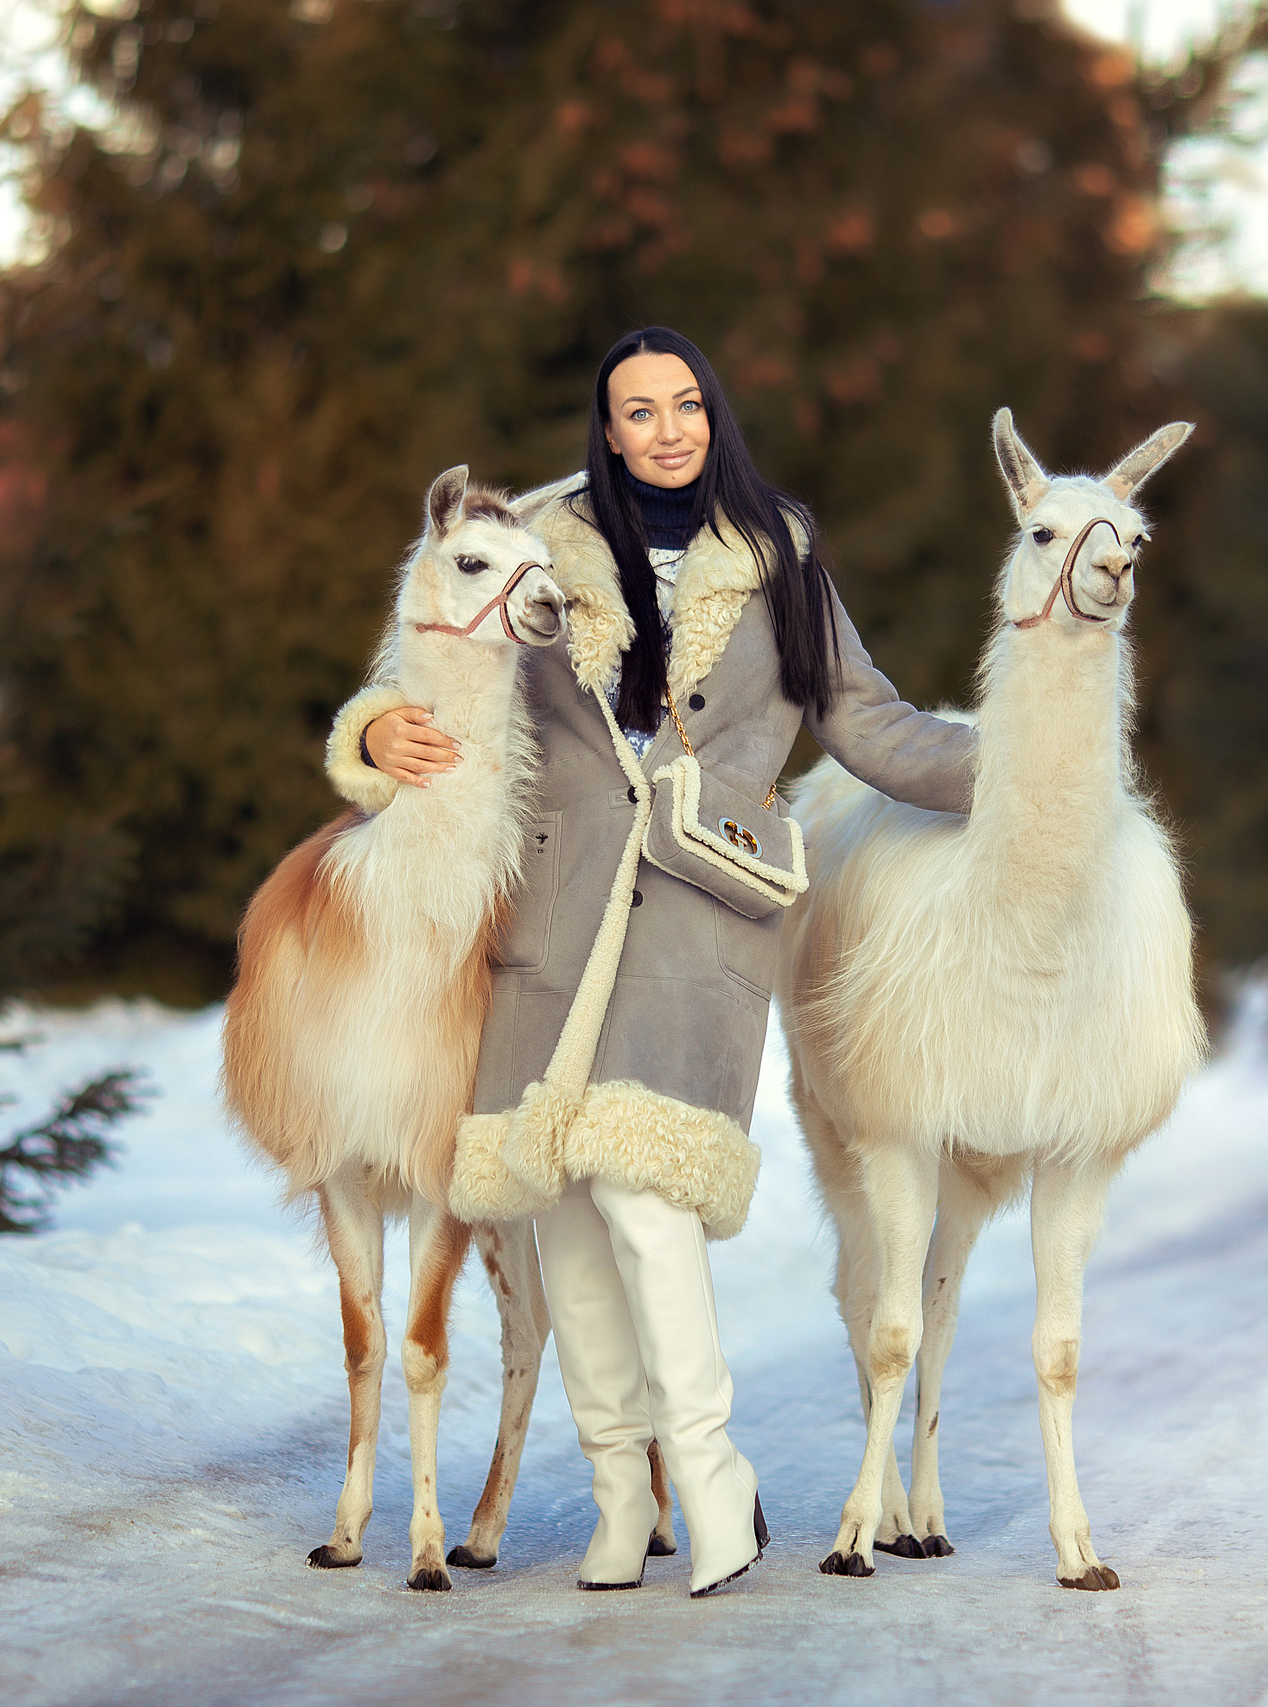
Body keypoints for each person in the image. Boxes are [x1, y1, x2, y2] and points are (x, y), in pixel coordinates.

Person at [331, 327, 975, 1596]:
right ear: (607, 427)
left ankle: (711, 1465)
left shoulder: (776, 551)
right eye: (639, 411)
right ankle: (620, 1493)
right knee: (557, 1205)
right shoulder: (545, 535)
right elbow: (440, 656)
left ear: (712, 416)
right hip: (553, 905)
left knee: (639, 1187)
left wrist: (1022, 767)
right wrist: (374, 734)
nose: (667, 428)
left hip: (702, 904)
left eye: (686, 405)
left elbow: (867, 722)